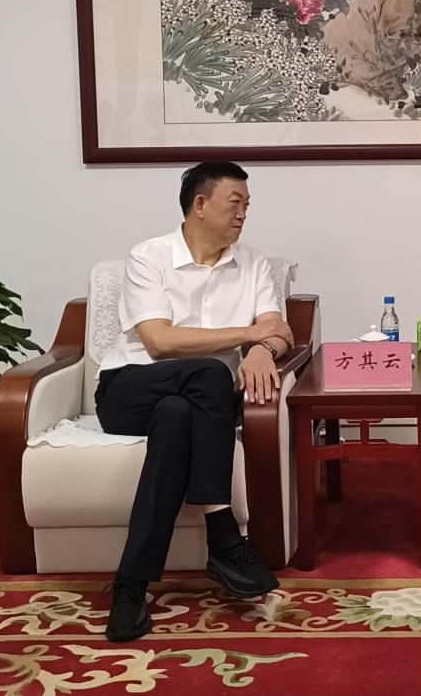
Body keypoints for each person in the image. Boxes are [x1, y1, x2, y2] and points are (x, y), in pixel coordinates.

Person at [96, 161, 295, 641]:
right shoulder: (149, 257)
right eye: (235, 203)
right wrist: (248, 335)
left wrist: (263, 351)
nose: (243, 214)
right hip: (129, 388)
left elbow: (280, 330)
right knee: (210, 371)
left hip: (194, 403)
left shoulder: (253, 263)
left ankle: (131, 585)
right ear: (200, 204)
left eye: (247, 205)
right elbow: (160, 342)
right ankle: (223, 535)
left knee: (178, 413)